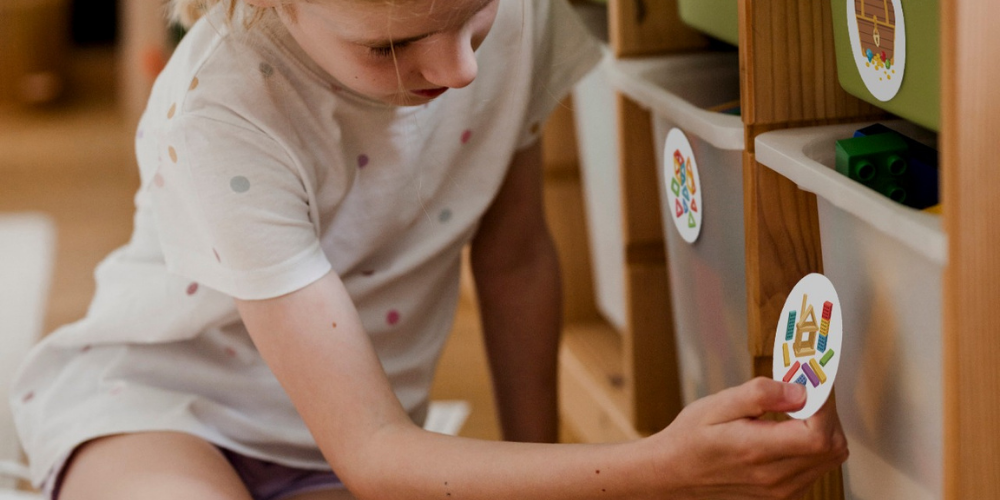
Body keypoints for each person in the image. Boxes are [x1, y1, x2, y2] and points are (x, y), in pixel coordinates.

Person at [10, 0, 848, 498]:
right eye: (390, 47)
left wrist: (544, 460)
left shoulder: (509, 21)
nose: (458, 71)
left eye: (470, 17)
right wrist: (653, 467)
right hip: (162, 406)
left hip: (341, 445)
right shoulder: (221, 111)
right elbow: (373, 454)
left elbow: (515, 256)